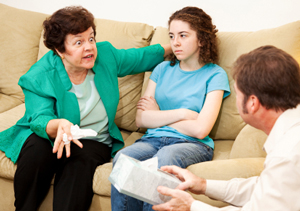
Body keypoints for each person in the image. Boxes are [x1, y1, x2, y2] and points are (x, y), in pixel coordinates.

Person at [0, 6, 172, 211]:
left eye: (91, 39)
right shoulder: (39, 75)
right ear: (59, 50)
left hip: (93, 138)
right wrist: (59, 124)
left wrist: (178, 45)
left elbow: (142, 56)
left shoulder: (106, 55)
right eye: (78, 42)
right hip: (51, 134)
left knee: (79, 165)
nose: (89, 47)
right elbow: (39, 117)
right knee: (36, 153)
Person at [152, 45, 300, 211]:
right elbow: (264, 190)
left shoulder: (287, 154)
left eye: (237, 94)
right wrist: (203, 185)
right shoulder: (291, 135)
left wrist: (191, 206)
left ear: (252, 103)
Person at [111, 6, 230, 211]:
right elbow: (141, 119)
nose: (175, 43)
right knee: (123, 158)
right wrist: (184, 114)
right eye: (172, 36)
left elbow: (201, 130)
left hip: (193, 144)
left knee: (165, 159)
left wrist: (157, 114)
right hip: (152, 139)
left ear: (201, 39)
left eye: (183, 35)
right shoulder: (162, 69)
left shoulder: (215, 74)